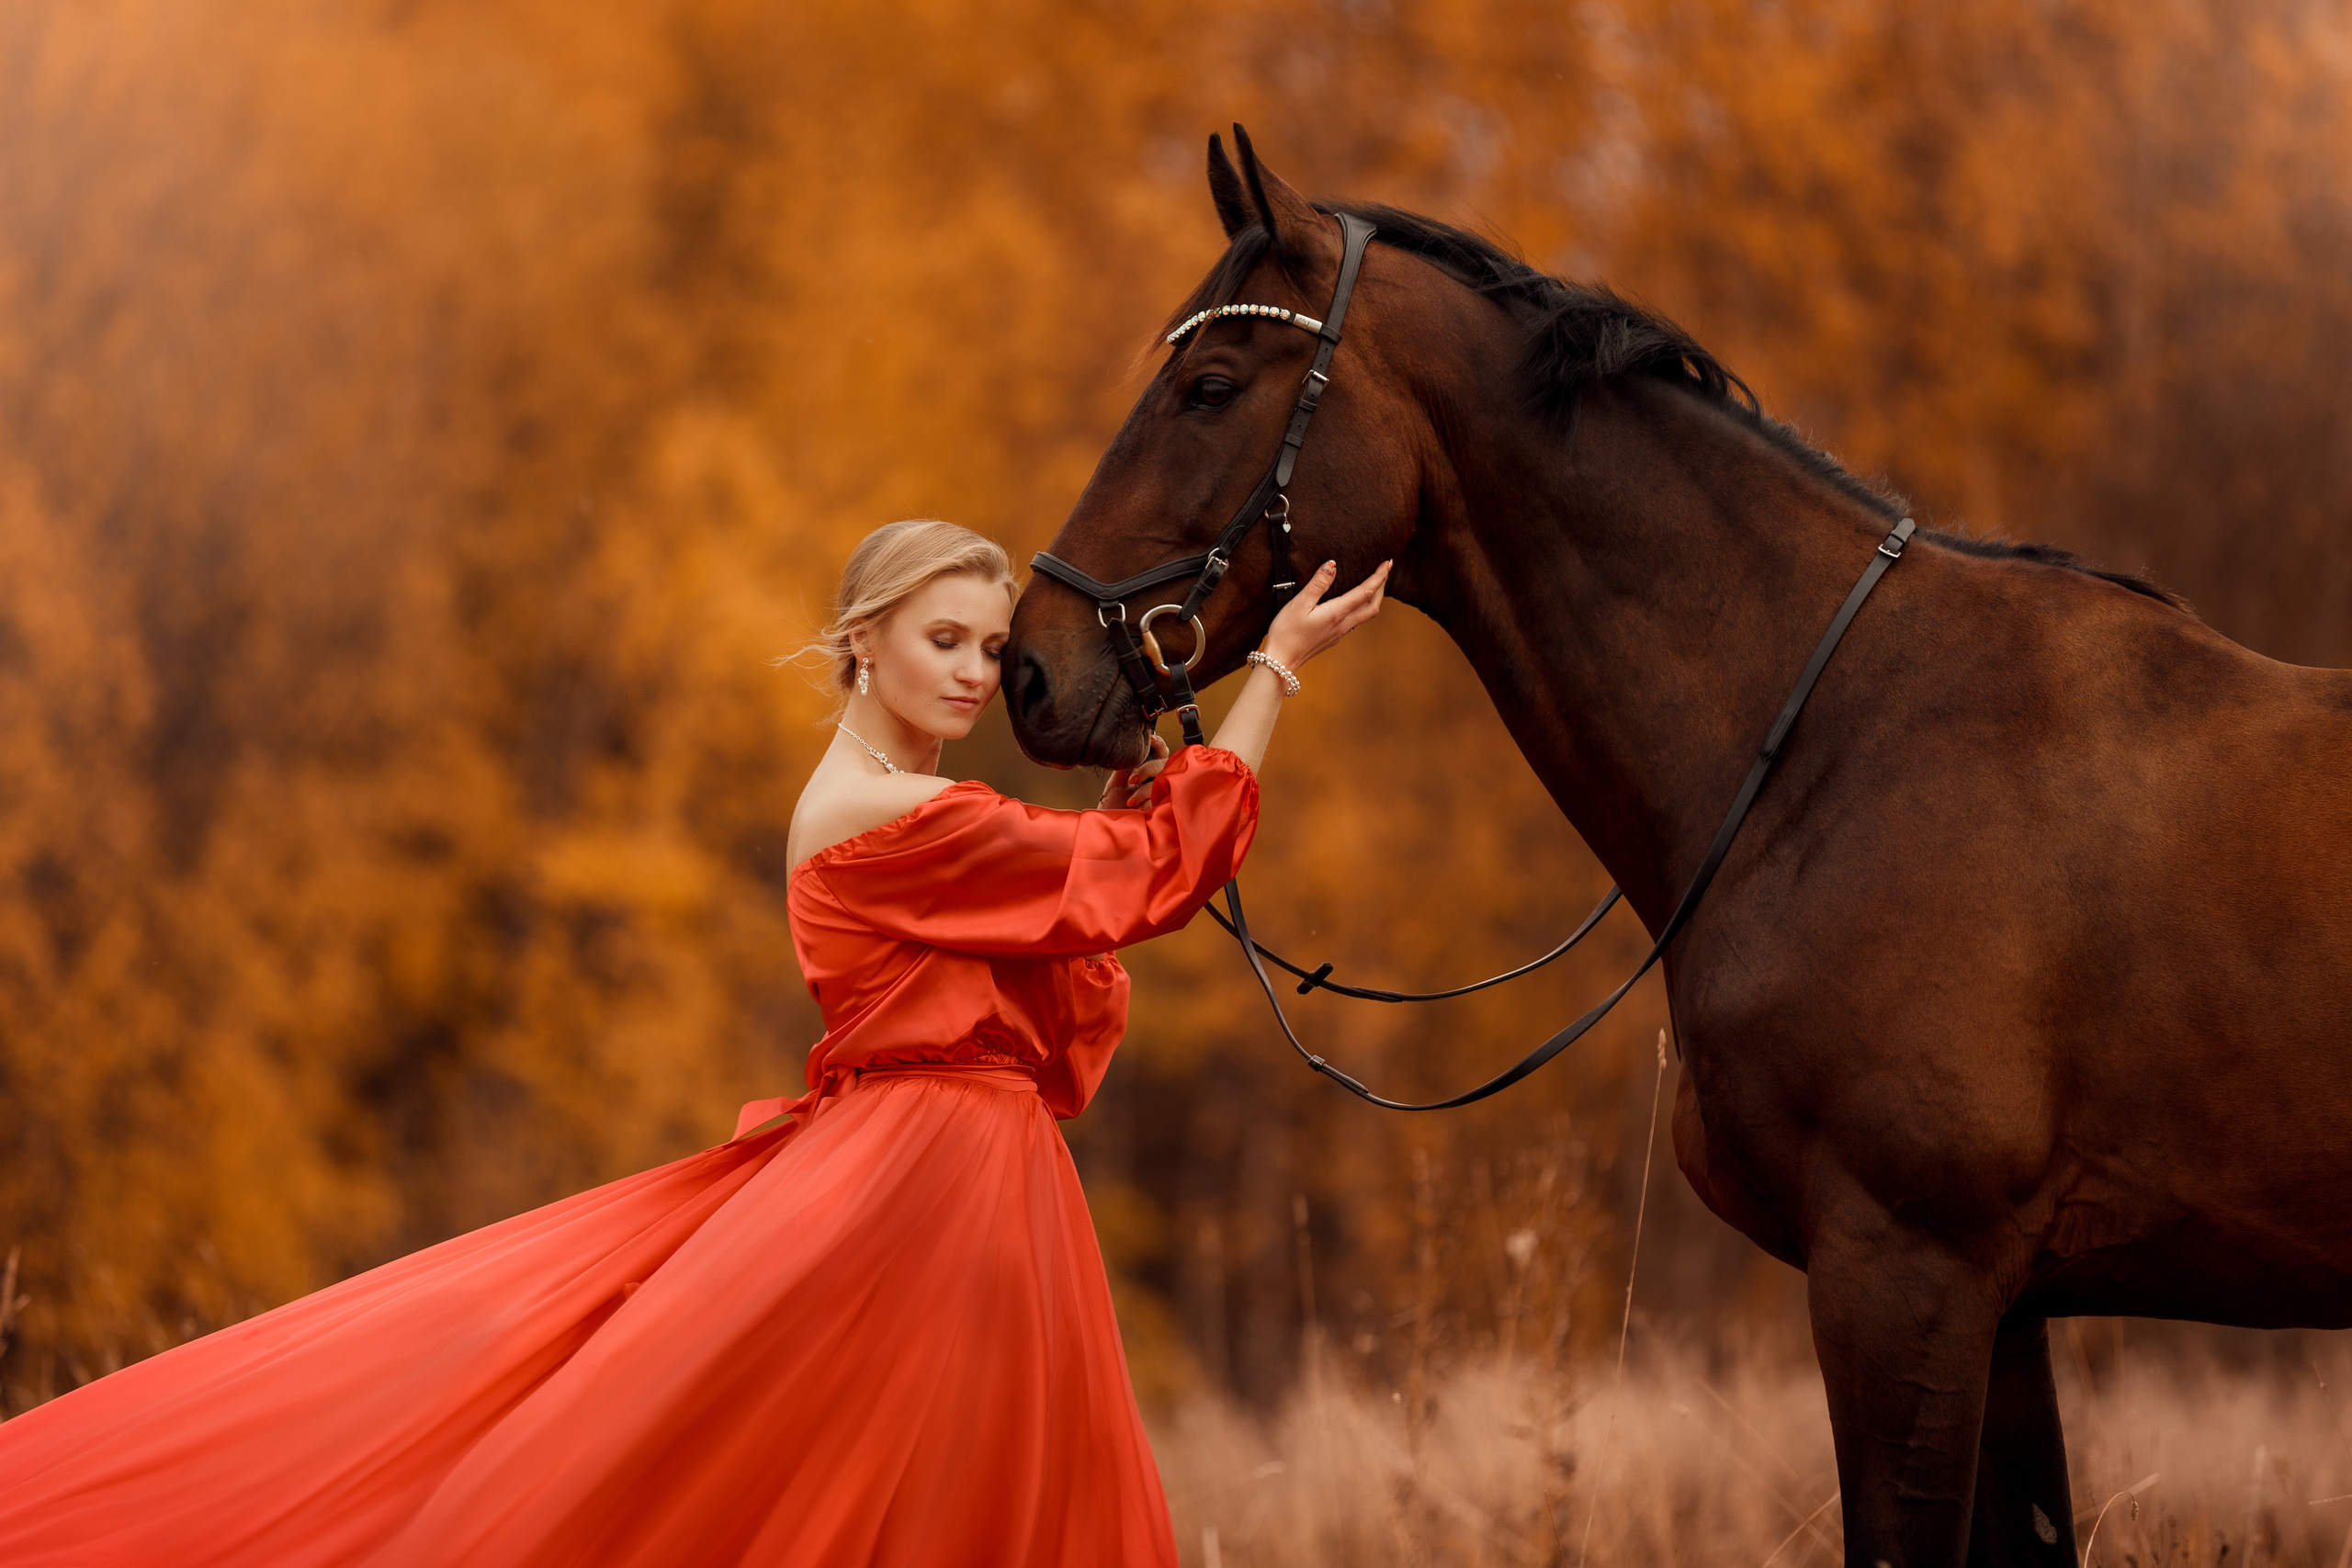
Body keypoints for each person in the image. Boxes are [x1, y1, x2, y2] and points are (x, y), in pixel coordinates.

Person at [0, 516, 1390, 1566]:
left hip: (968, 1179)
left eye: (986, 646)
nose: (975, 675)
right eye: (943, 641)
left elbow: (1076, 979)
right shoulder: (886, 814)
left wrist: (1142, 800)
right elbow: (1145, 881)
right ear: (863, 640)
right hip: (924, 1190)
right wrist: (1274, 672)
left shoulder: (913, 803)